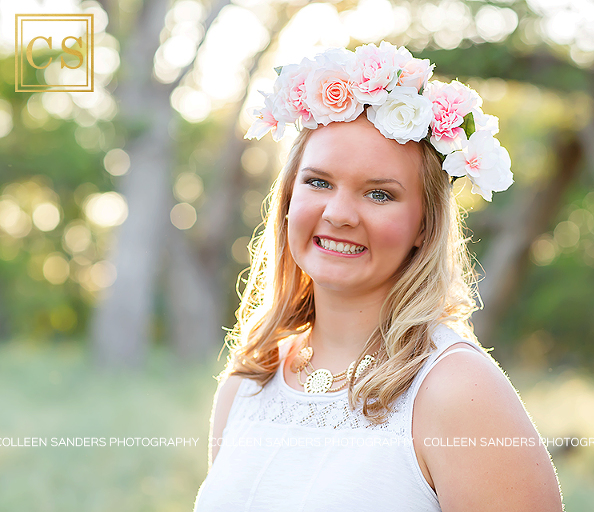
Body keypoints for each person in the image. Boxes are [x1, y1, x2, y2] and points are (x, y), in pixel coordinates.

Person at [193, 42, 564, 511]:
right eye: (319, 182)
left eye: (379, 195)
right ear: (287, 199)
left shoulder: (455, 391)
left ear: (424, 225)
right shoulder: (247, 384)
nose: (339, 214)